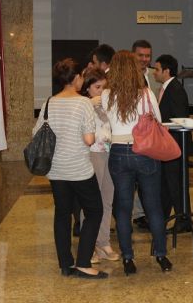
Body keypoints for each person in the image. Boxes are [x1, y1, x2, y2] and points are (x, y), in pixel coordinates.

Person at [33, 58, 107, 279]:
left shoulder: (49, 103)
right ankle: (83, 262)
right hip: (79, 169)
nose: (82, 80)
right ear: (76, 78)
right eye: (81, 76)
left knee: (62, 214)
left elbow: (36, 133)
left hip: (56, 169)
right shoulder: (83, 103)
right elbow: (88, 139)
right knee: (94, 211)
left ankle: (65, 264)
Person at [102, 50, 172, 275]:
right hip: (145, 152)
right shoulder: (146, 93)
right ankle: (161, 255)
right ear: (134, 69)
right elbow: (158, 120)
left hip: (118, 153)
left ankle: (128, 259)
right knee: (153, 205)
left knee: (123, 209)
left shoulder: (106, 95)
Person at [79, 68, 120, 263]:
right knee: (90, 201)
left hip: (109, 152)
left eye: (104, 87)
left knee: (107, 199)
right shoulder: (83, 104)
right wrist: (90, 103)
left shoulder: (108, 102)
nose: (102, 91)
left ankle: (103, 242)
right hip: (92, 153)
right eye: (97, 87)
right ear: (87, 88)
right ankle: (89, 245)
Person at [153, 54, 192, 233]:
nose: (154, 72)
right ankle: (164, 220)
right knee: (168, 185)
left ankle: (183, 221)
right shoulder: (167, 88)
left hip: (175, 146)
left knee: (176, 185)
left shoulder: (175, 89)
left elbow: (179, 119)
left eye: (157, 69)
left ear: (166, 71)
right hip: (169, 146)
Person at [130, 39, 160, 229]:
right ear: (133, 55)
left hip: (150, 137)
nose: (144, 59)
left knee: (147, 178)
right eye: (140, 55)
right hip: (130, 136)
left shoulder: (154, 77)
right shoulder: (125, 76)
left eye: (147, 56)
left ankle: (141, 214)